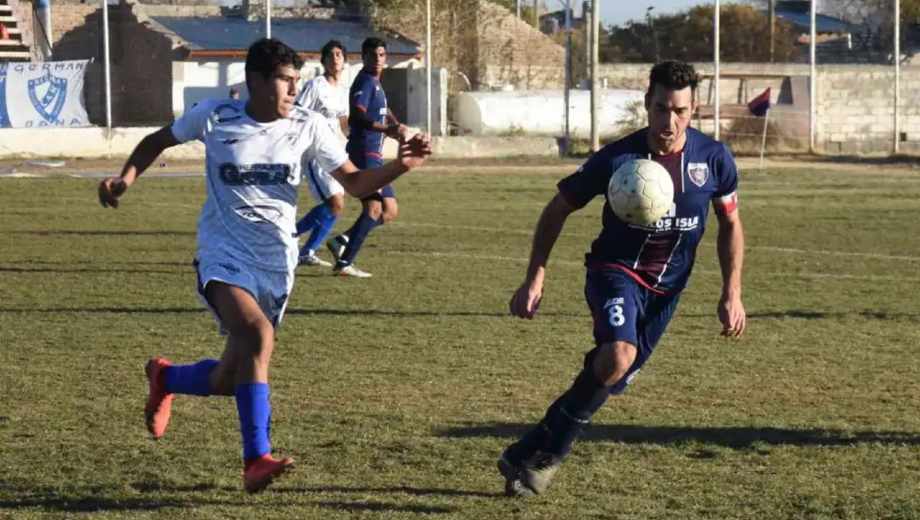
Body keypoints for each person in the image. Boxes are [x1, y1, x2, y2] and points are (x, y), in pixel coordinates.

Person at [96, 38, 430, 493]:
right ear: (255, 80)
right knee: (257, 335)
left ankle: (166, 377)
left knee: (230, 378)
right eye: (286, 80)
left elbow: (354, 183)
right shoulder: (215, 116)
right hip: (222, 256)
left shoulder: (309, 126)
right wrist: (124, 179)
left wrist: (400, 168)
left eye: (297, 80)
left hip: (276, 263)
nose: (295, 89)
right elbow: (158, 139)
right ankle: (256, 459)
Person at [497, 60, 746, 497]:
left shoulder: (713, 159)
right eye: (661, 109)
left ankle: (524, 451)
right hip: (615, 273)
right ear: (647, 105)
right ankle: (547, 459)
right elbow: (557, 209)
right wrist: (535, 275)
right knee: (616, 357)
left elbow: (730, 223)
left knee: (610, 375)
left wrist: (732, 291)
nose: (669, 121)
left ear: (695, 109)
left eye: (680, 111)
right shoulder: (618, 158)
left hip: (668, 291)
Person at [325, 37, 408, 278]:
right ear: (364, 57)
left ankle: (342, 239)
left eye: (382, 55)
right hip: (364, 152)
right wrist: (387, 130)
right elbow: (358, 118)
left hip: (375, 154)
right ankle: (344, 263)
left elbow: (383, 110)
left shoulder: (376, 83)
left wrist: (397, 125)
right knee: (373, 208)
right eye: (373, 55)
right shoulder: (364, 81)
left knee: (389, 210)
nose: (378, 59)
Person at [293, 40, 350, 267]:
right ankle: (290, 236)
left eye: (339, 54)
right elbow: (298, 113)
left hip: (335, 151)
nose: (335, 58)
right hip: (315, 151)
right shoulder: (316, 85)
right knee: (335, 202)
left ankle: (306, 252)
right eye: (331, 55)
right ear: (323, 61)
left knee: (337, 205)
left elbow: (343, 121)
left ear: (344, 60)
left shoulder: (344, 91)